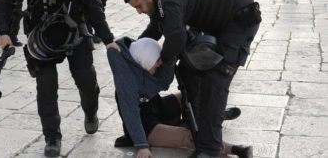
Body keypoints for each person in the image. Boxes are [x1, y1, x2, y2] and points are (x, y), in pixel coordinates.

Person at [0, 0, 119, 157]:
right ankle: (52, 137)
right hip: (42, 36)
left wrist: (108, 39)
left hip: (74, 29)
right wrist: (3, 33)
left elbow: (94, 6)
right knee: (46, 87)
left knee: (86, 79)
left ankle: (91, 111)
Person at [123, 0, 260, 158]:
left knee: (215, 80)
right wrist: (132, 51)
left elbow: (177, 38)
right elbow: (155, 30)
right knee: (189, 70)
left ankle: (210, 150)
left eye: (138, 6)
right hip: (221, 22)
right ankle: (196, 122)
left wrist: (162, 60)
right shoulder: (160, 0)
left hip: (241, 18)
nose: (139, 11)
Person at [108, 37, 253, 158]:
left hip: (158, 109)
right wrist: (142, 146)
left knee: (191, 95)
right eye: (157, 60)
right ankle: (236, 149)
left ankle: (216, 115)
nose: (159, 63)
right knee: (188, 136)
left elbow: (164, 82)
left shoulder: (139, 67)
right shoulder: (126, 84)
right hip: (147, 129)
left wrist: (171, 56)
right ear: (145, 58)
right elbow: (131, 115)